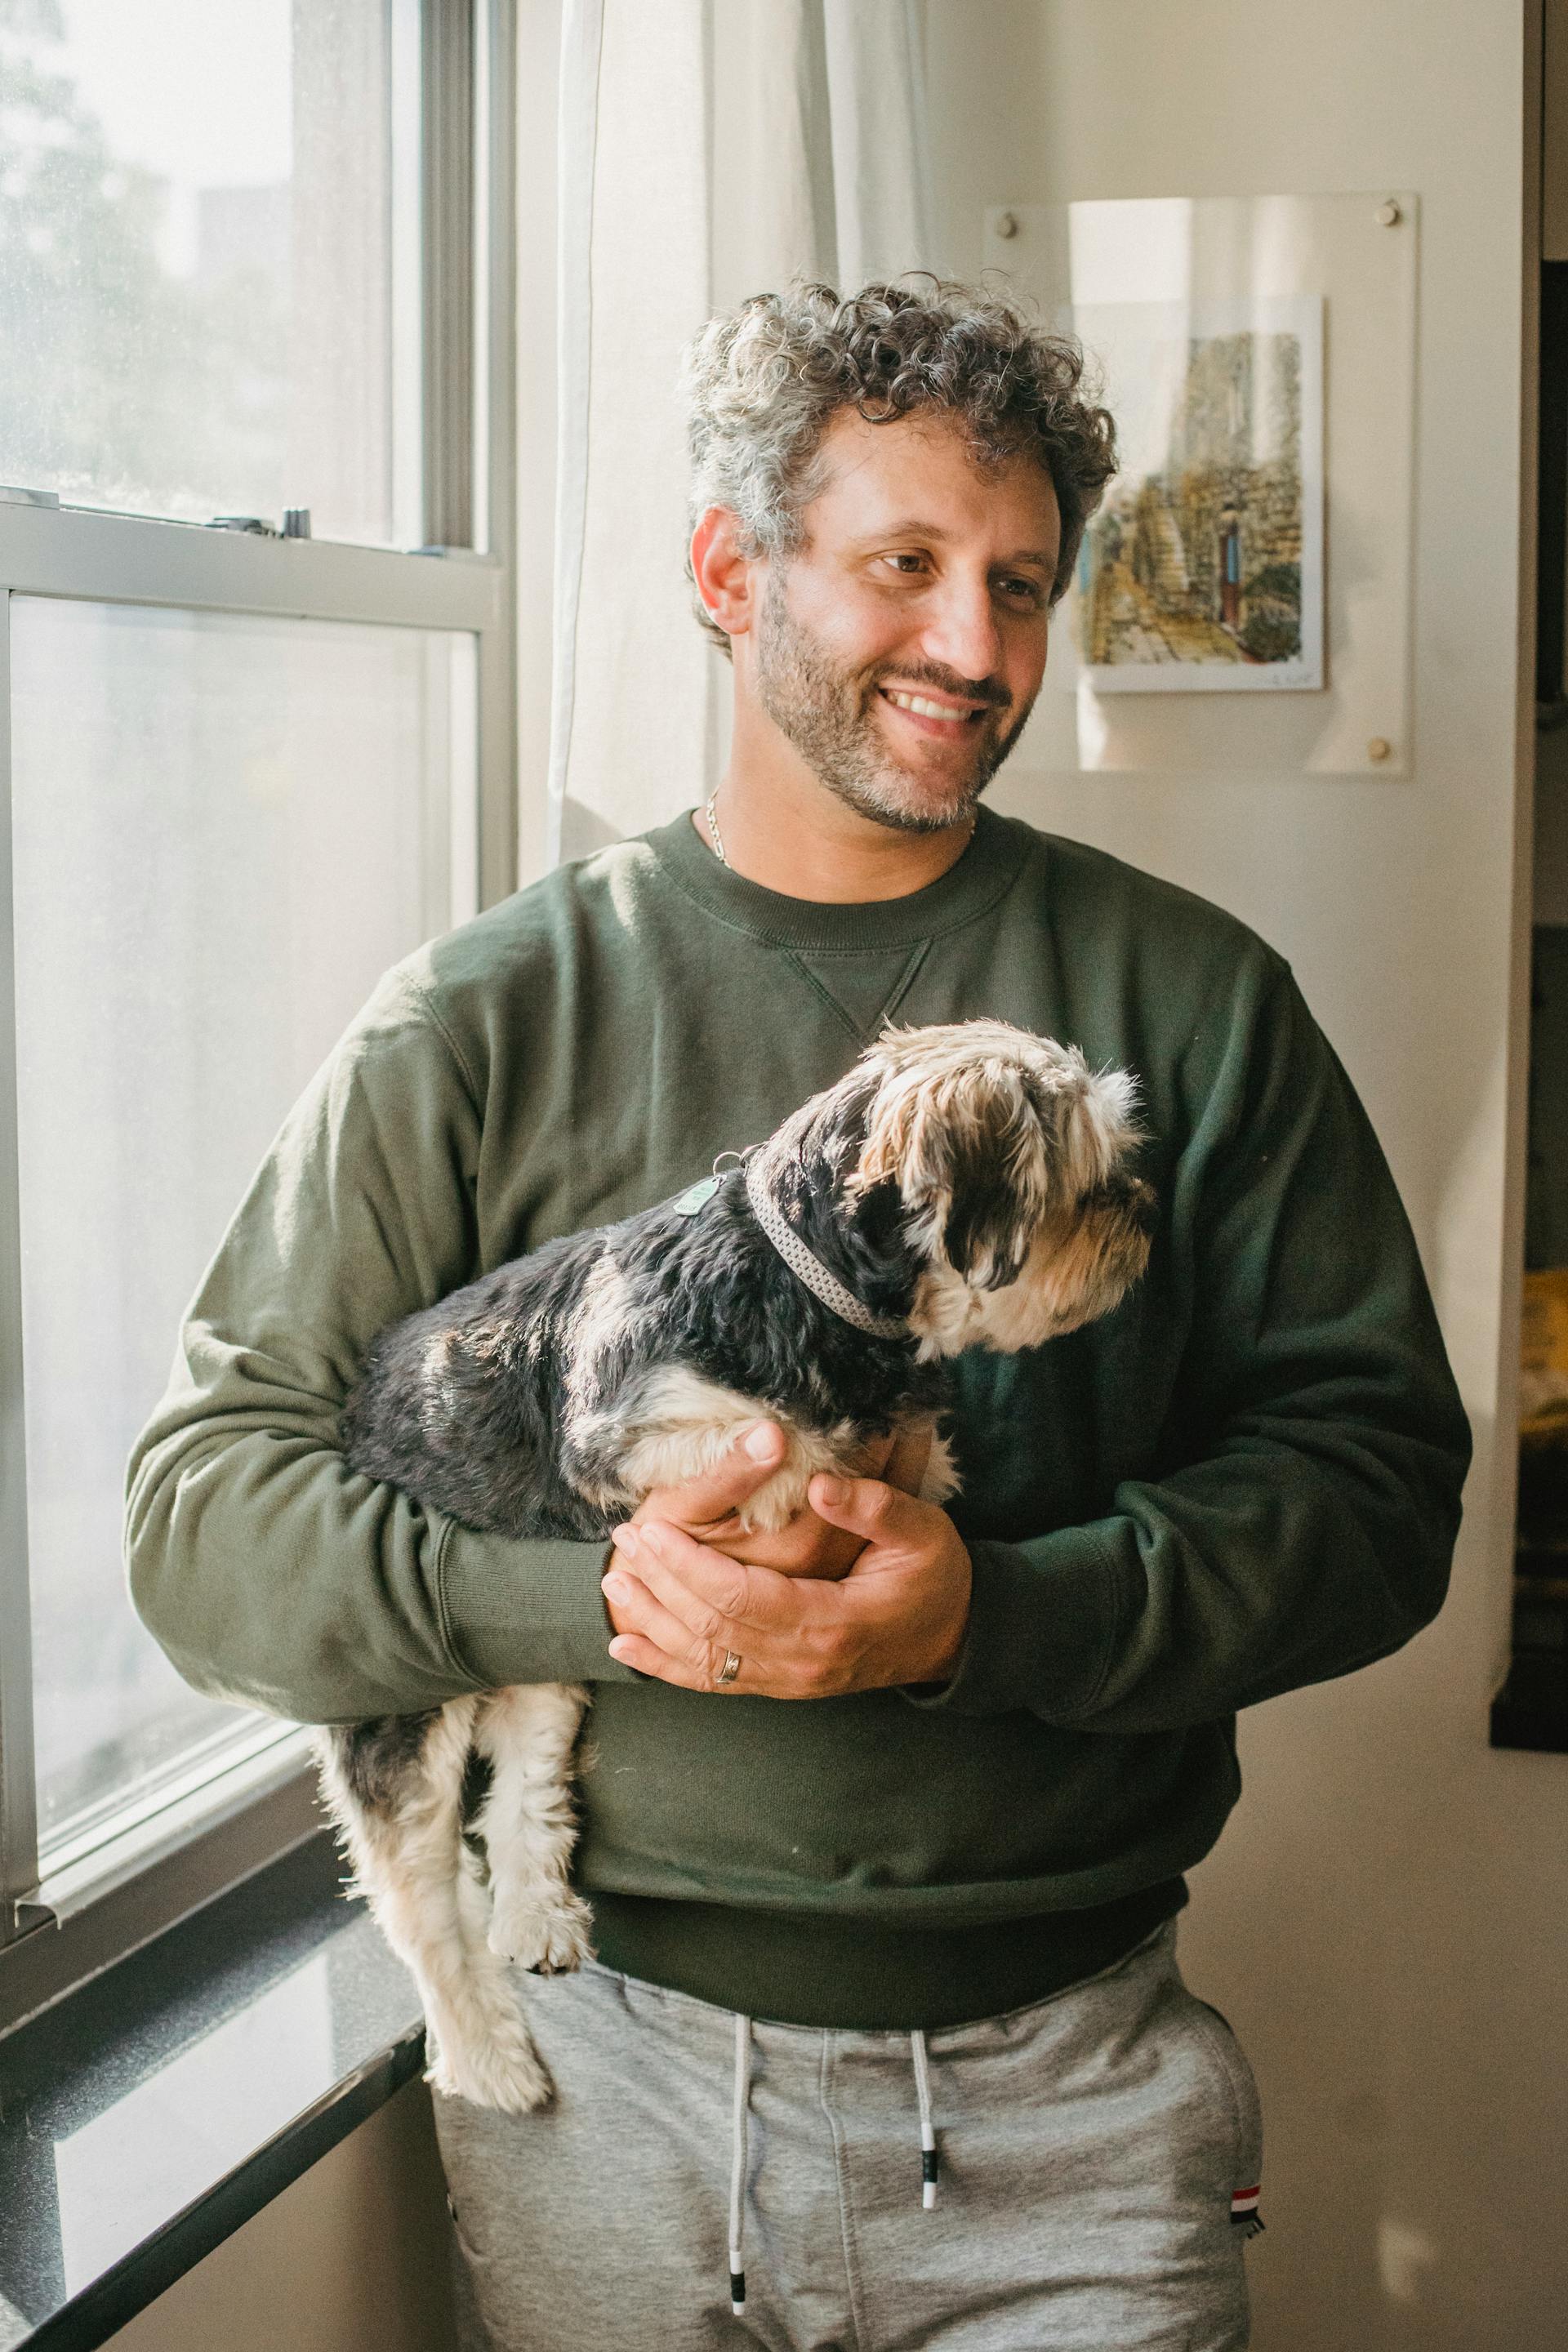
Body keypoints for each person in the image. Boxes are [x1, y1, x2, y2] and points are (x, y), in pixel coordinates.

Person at [127, 282, 1471, 2351]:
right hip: (604, 2091)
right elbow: (203, 1534)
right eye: (905, 567)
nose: (974, 648)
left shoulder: (1198, 1007)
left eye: (1020, 584)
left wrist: (980, 1620)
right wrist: (607, 1604)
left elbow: (1376, 1498)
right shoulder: (483, 1019)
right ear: (725, 571)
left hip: (1078, 2115)